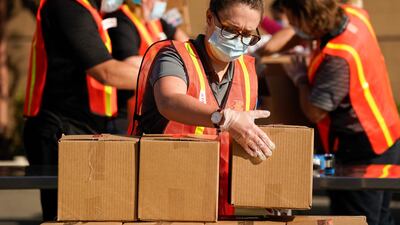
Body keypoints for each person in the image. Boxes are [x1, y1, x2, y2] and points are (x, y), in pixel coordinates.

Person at [129, 0, 275, 216]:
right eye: (231, 30)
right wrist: (224, 119)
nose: (238, 40)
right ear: (209, 18)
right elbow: (169, 100)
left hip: (219, 201)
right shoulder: (174, 56)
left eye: (248, 34)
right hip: (165, 197)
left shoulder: (248, 70)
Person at [274, 1, 400, 225]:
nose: (293, 28)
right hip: (386, 134)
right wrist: (271, 49)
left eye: (295, 22)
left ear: (309, 19)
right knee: (381, 217)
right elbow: (300, 34)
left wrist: (300, 78)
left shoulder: (339, 58)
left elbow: (315, 112)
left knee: (358, 219)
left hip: (362, 147)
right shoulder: (354, 15)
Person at [23, 0, 139, 221]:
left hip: (81, 128)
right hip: (60, 130)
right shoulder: (67, 6)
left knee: (89, 214)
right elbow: (106, 72)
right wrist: (159, 78)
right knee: (65, 216)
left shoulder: (89, 9)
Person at [105, 0, 188, 134]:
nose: (163, 3)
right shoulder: (121, 19)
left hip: (152, 109)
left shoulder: (154, 20)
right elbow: (130, 61)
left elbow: (181, 38)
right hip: (127, 112)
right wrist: (169, 68)